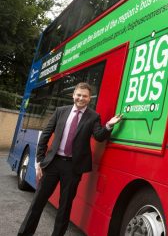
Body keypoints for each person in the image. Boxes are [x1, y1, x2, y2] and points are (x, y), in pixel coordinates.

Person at [18, 82, 122, 236]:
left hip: (73, 168)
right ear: (73, 95)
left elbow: (99, 137)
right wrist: (40, 161)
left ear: (89, 98)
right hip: (53, 163)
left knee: (65, 207)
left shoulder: (93, 116)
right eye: (78, 95)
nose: (81, 98)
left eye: (84, 96)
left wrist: (108, 125)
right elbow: (45, 135)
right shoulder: (61, 111)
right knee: (37, 202)